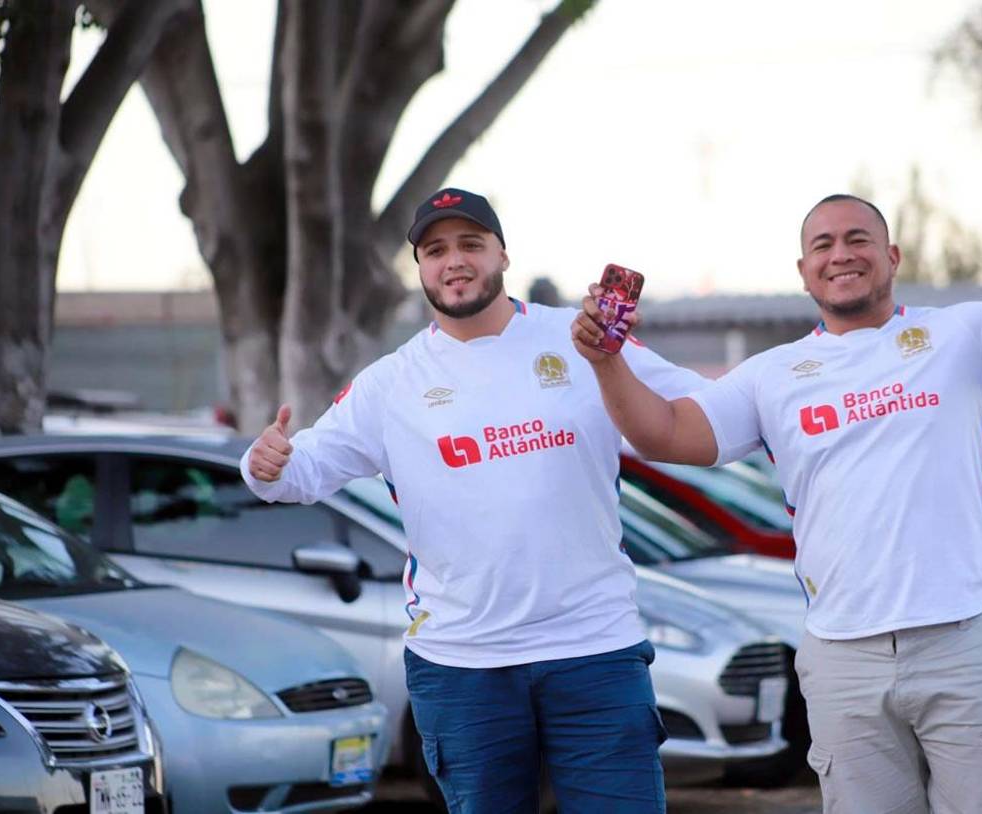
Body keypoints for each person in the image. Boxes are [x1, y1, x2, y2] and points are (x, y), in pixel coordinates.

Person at [570, 135, 982, 814]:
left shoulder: (964, 337)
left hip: (962, 644)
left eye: (858, 238)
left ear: (891, 256)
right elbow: (666, 435)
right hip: (842, 658)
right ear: (804, 272)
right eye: (823, 245)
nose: (841, 253)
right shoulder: (774, 376)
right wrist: (606, 362)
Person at [242, 188, 705, 813]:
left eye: (470, 244)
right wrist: (263, 463)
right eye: (435, 250)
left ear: (503, 255)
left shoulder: (581, 341)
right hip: (463, 665)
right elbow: (303, 470)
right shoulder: (393, 381)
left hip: (593, 650)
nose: (453, 261)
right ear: (421, 268)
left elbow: (697, 410)